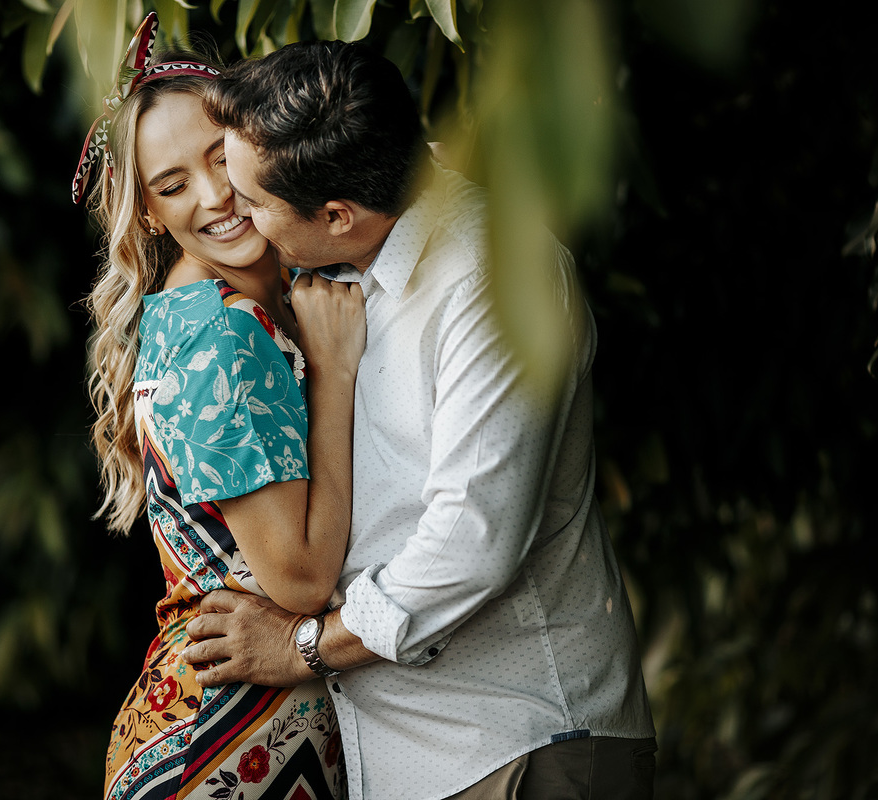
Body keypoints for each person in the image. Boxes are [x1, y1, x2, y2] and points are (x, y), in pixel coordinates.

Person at [181, 40, 657, 799]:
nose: (229, 211)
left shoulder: (493, 279)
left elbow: (471, 540)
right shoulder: (346, 237)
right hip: (410, 760)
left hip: (520, 746)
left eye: (252, 201)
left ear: (338, 215)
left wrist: (302, 647)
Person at [77, 14, 364, 800]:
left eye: (220, 158)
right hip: (228, 746)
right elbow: (300, 580)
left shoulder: (219, 310)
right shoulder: (219, 333)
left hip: (233, 727)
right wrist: (334, 376)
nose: (214, 197)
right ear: (148, 214)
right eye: (172, 186)